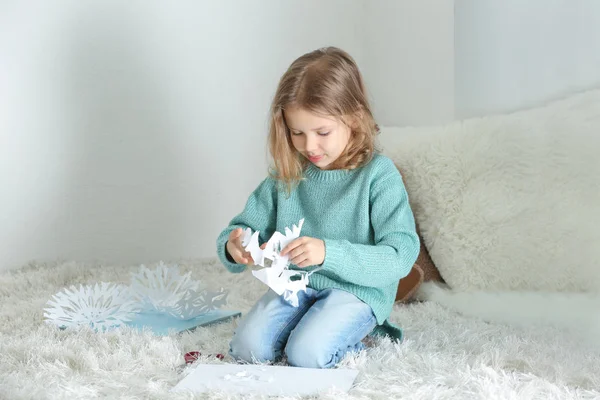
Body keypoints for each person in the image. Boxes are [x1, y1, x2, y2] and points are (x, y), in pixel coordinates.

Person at [216, 46, 419, 369]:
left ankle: (350, 332)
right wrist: (234, 245)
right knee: (247, 349)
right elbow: (241, 227)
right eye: (297, 133)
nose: (309, 146)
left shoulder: (379, 176)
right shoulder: (287, 176)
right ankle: (308, 324)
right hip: (294, 284)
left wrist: (328, 253)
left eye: (322, 132)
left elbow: (401, 255)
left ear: (353, 117)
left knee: (307, 354)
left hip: (356, 291)